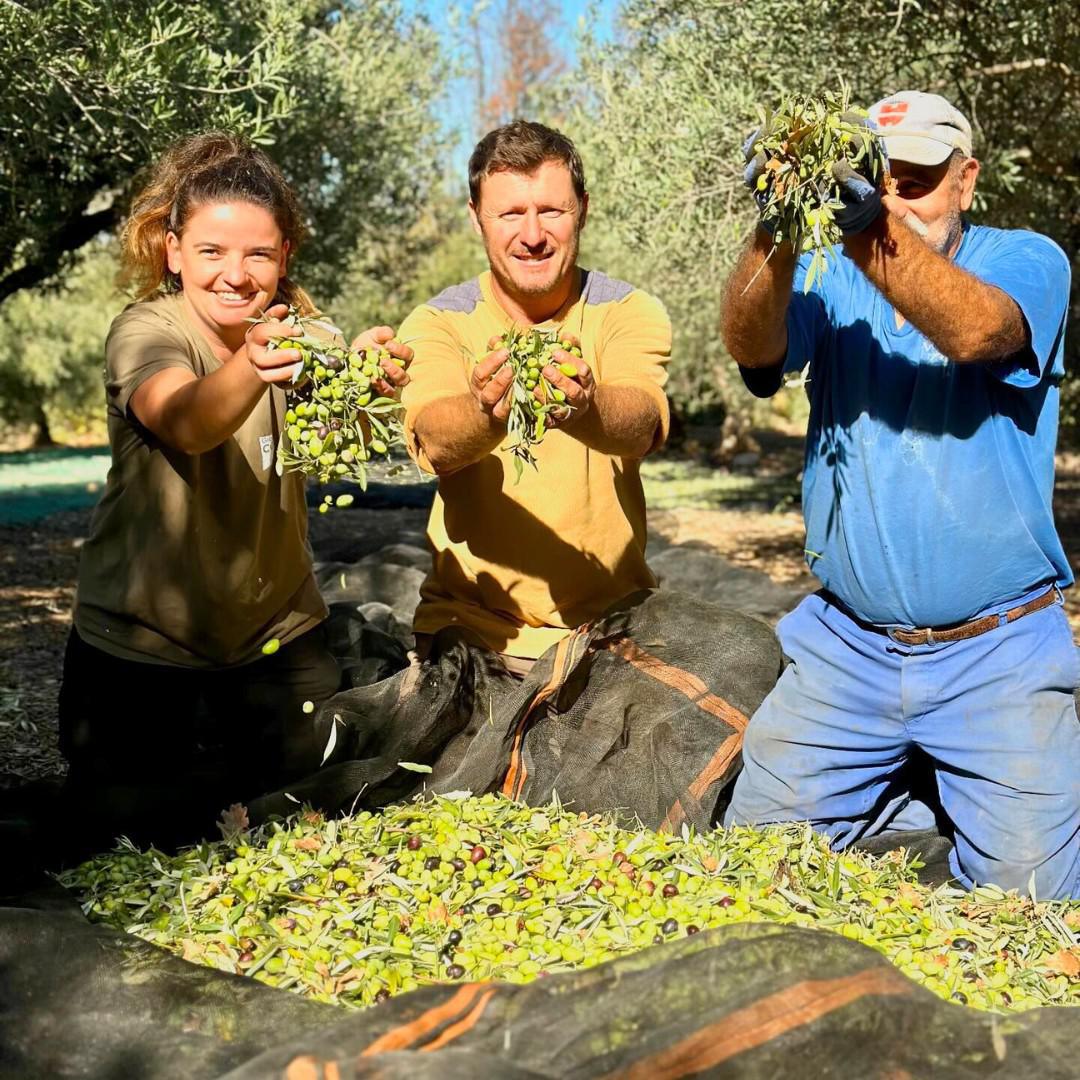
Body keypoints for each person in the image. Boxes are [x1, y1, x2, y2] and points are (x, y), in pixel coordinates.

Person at [720, 91, 1079, 897]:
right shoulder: (826, 267)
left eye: (914, 181)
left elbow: (978, 332)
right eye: (875, 181)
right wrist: (774, 233)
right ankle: (916, 792)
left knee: (1036, 909)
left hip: (1000, 653)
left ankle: (936, 788)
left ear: (966, 180)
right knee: (748, 872)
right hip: (847, 649)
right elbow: (752, 349)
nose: (892, 200)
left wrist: (863, 230)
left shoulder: (1028, 259)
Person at [58, 131, 412, 850]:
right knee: (134, 851)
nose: (235, 274)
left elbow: (346, 417)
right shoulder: (146, 333)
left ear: (284, 258)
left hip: (275, 645)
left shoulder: (304, 337)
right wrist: (254, 362)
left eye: (258, 253)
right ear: (174, 251)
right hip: (142, 654)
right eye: (212, 251)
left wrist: (368, 375)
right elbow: (186, 420)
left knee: (302, 835)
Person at [397, 120, 672, 671]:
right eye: (510, 214)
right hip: (474, 632)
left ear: (583, 211)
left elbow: (641, 422)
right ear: (476, 217)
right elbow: (434, 439)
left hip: (608, 628)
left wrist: (585, 408)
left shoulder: (626, 311)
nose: (532, 235)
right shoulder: (438, 323)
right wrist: (486, 410)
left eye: (551, 210)